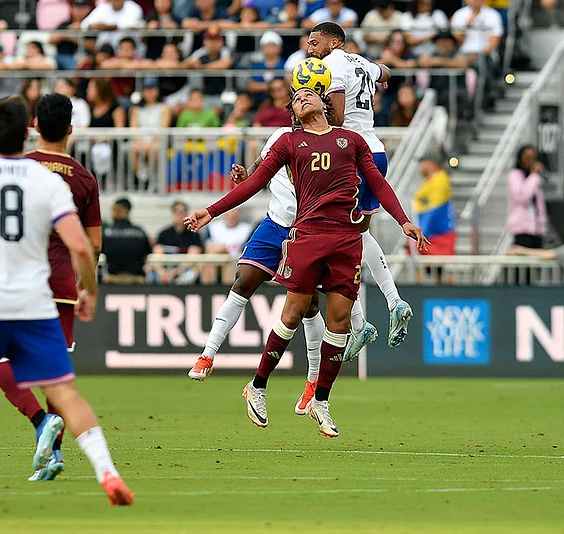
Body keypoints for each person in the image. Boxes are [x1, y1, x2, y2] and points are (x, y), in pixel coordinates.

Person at [0, 97, 133, 507]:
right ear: (26, 132)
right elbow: (84, 248)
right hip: (38, 299)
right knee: (65, 391)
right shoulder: (53, 182)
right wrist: (88, 289)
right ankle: (108, 474)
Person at [183, 87, 426, 436]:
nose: (303, 98)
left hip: (346, 238)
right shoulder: (288, 142)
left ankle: (321, 401)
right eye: (297, 98)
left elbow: (377, 183)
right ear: (295, 114)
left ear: (324, 104)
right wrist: (210, 211)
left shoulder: (351, 139)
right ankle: (258, 385)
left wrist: (403, 220)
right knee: (294, 312)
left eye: (309, 93)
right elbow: (253, 185)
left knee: (340, 321)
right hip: (307, 234)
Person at [0, 93, 103, 482]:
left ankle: (40, 422)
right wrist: (87, 284)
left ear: (34, 125)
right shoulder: (84, 179)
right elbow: (94, 244)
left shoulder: (16, 168)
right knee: (54, 373)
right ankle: (51, 455)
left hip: (14, 277)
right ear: (71, 128)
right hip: (62, 284)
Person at [307, 22, 414, 361]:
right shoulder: (358, 61)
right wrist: (378, 74)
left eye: (315, 42)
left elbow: (336, 117)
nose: (311, 49)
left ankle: (359, 322)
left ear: (333, 42)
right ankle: (393, 302)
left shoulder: (334, 64)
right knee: (357, 232)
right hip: (375, 151)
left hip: (349, 152)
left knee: (329, 236)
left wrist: (314, 111)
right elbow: (386, 71)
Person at [130, 78, 171, 183]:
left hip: (157, 140)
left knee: (154, 148)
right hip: (140, 140)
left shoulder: (164, 107)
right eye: (147, 89)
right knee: (131, 148)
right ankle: (141, 176)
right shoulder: (136, 109)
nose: (149, 92)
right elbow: (133, 128)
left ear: (157, 91)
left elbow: (164, 127)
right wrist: (139, 140)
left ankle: (149, 175)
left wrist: (152, 141)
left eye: (152, 89)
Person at [414, 152, 456, 256]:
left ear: (431, 164)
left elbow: (434, 209)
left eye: (422, 163)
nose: (420, 167)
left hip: (438, 234)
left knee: (436, 267)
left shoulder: (439, 180)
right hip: (432, 233)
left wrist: (421, 233)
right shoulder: (430, 180)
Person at [102, 198, 152, 284]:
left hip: (113, 280)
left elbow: (99, 251)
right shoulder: (139, 232)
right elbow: (148, 252)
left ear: (118, 210)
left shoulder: (107, 233)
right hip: (137, 279)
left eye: (114, 210)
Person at [153, 201, 203, 284]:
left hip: (185, 271)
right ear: (172, 214)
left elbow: (195, 255)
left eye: (182, 212)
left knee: (194, 254)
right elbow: (156, 253)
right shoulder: (164, 234)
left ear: (187, 214)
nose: (179, 215)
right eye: (176, 212)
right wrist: (162, 272)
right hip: (164, 272)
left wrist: (174, 272)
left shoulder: (193, 233)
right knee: (157, 250)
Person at [508, 145, 547, 250]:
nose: (530, 162)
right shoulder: (515, 175)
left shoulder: (536, 178)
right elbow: (521, 197)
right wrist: (534, 175)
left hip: (537, 229)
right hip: (523, 229)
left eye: (533, 158)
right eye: (527, 158)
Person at [203, 207, 253, 284]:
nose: (232, 214)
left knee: (227, 260)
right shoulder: (214, 228)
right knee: (213, 257)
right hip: (217, 262)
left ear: (239, 213)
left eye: (235, 211)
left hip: (237, 262)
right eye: (231, 211)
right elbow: (208, 248)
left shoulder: (247, 229)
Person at [48, 0, 94, 70]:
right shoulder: (65, 24)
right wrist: (69, 31)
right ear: (72, 9)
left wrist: (76, 38)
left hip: (85, 57)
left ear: (88, 9)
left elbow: (94, 46)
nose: (79, 11)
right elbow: (51, 40)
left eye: (82, 8)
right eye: (76, 7)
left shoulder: (91, 26)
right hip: (64, 57)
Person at [247, 31, 287, 104]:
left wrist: (261, 86)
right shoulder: (256, 65)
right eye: (267, 46)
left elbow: (287, 85)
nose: (270, 49)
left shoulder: (285, 64)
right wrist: (271, 87)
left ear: (279, 48)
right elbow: (251, 86)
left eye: (273, 46)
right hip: (257, 102)